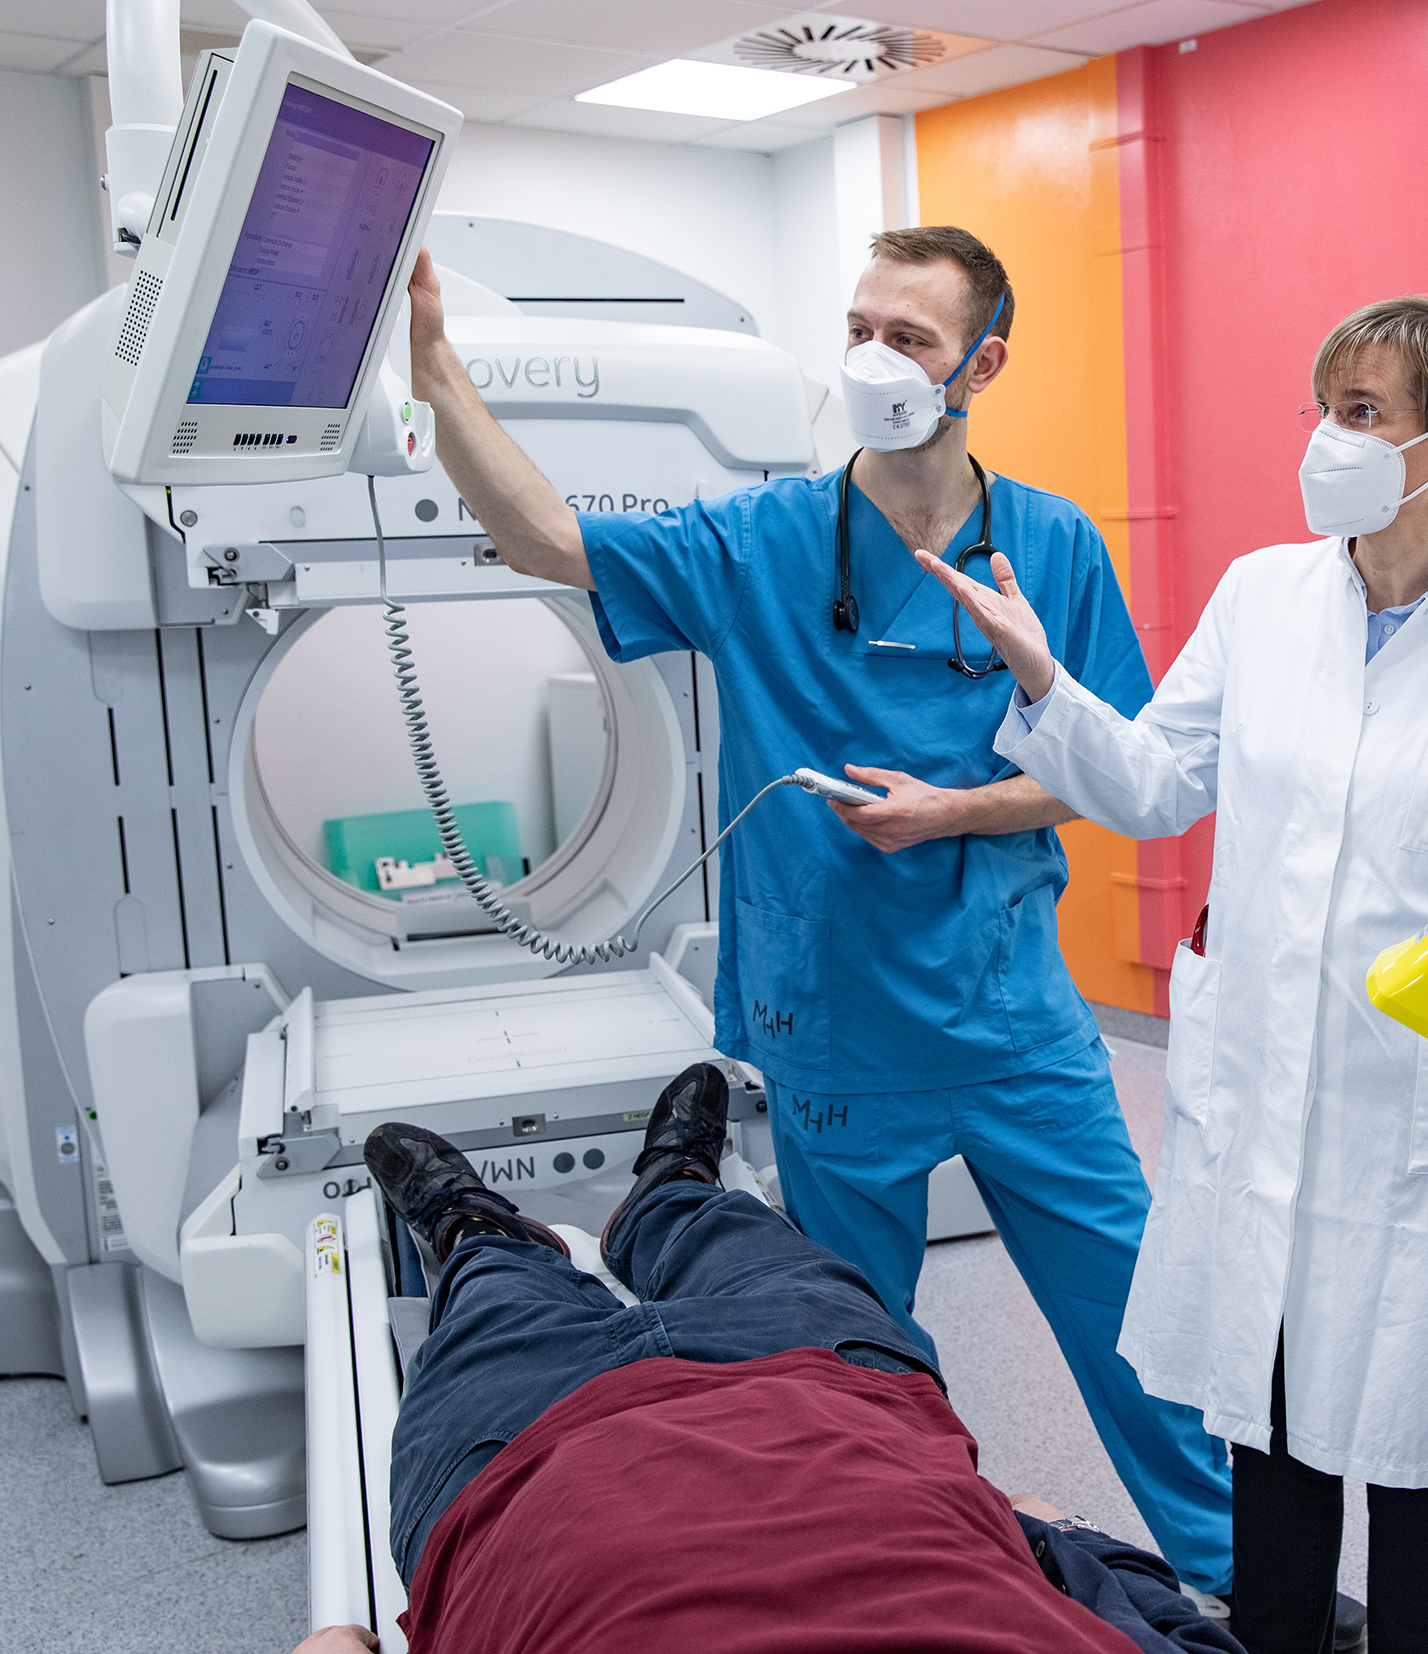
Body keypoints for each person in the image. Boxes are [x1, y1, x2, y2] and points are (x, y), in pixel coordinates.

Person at [402, 225, 1236, 1599]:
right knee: (855, 1352)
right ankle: (900, 1572)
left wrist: (953, 811)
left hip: (1019, 1022)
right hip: (834, 1026)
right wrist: (440, 374)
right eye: (859, 326)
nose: (874, 357)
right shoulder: (767, 540)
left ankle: (1247, 1583)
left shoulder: (1054, 544)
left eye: (908, 336)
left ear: (984, 362)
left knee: (1141, 1326)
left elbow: (1114, 771)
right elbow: (547, 539)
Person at [923, 296, 1428, 1654]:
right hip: (1271, 1096)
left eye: (1363, 414)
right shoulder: (1261, 594)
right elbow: (1161, 782)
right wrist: (1046, 680)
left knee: (1417, 1450)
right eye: (1323, 409)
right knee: (1270, 1440)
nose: (1327, 441)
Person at [288, 1065, 1244, 1654]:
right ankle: (669, 1195)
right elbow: (1167, 1614)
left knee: (491, 1296)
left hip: (522, 1468)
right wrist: (1054, 1531)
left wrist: (1044, 1529)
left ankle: (474, 1235)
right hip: (828, 1396)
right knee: (757, 1250)